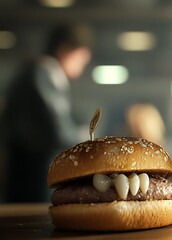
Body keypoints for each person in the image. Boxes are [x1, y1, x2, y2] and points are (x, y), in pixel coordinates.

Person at [0, 23, 93, 202]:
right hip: (33, 172)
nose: (81, 67)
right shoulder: (44, 74)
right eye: (81, 59)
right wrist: (86, 140)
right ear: (65, 50)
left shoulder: (35, 72)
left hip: (24, 169)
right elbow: (57, 129)